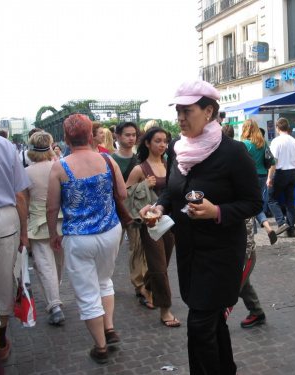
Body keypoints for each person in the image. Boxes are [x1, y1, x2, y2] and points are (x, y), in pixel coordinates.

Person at [140, 79, 262, 375]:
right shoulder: (178, 150)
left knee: (198, 325)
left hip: (221, 255)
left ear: (209, 112)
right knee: (211, 320)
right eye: (178, 111)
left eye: (187, 111)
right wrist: (160, 206)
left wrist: (217, 211)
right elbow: (172, 189)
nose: (180, 118)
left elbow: (254, 202)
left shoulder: (233, 153)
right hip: (190, 252)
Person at [47, 114, 125, 364]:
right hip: (110, 231)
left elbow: (51, 208)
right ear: (91, 136)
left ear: (67, 138)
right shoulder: (106, 159)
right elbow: (121, 193)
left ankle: (100, 346)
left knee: (86, 291)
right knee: (104, 280)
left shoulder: (60, 166)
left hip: (79, 237)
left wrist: (53, 234)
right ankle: (109, 328)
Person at [0, 103, 31, 374]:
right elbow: (19, 194)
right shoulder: (3, 145)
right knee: (3, 282)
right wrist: (24, 231)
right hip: (3, 218)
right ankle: (0, 339)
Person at [125, 128, 179, 327]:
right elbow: (126, 195)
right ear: (147, 143)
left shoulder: (170, 165)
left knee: (161, 264)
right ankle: (165, 309)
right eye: (158, 141)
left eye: (165, 141)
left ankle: (147, 288)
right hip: (150, 225)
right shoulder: (140, 169)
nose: (162, 145)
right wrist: (143, 185)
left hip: (170, 223)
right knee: (159, 266)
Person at [23, 132, 66, 325]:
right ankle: (54, 296)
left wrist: (23, 230)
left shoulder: (26, 173)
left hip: (38, 222)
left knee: (44, 264)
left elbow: (23, 203)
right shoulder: (59, 167)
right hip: (61, 220)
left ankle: (54, 303)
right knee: (58, 262)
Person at [112, 122, 146, 301]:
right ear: (117, 137)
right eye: (127, 135)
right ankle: (104, 281)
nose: (131, 138)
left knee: (137, 248)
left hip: (134, 211)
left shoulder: (139, 160)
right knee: (111, 249)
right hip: (115, 211)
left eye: (134, 135)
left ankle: (139, 284)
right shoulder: (110, 160)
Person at [241, 119, 277, 245]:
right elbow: (272, 162)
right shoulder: (263, 144)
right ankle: (267, 227)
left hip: (249, 177)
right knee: (256, 203)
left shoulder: (245, 144)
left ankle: (255, 232)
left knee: (251, 204)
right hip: (262, 176)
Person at [266, 118, 295, 237]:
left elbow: (274, 161)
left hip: (281, 173)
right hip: (293, 172)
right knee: (290, 201)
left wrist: (269, 177)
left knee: (271, 199)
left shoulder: (276, 141)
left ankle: (281, 222)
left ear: (277, 128)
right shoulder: (294, 141)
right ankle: (291, 229)